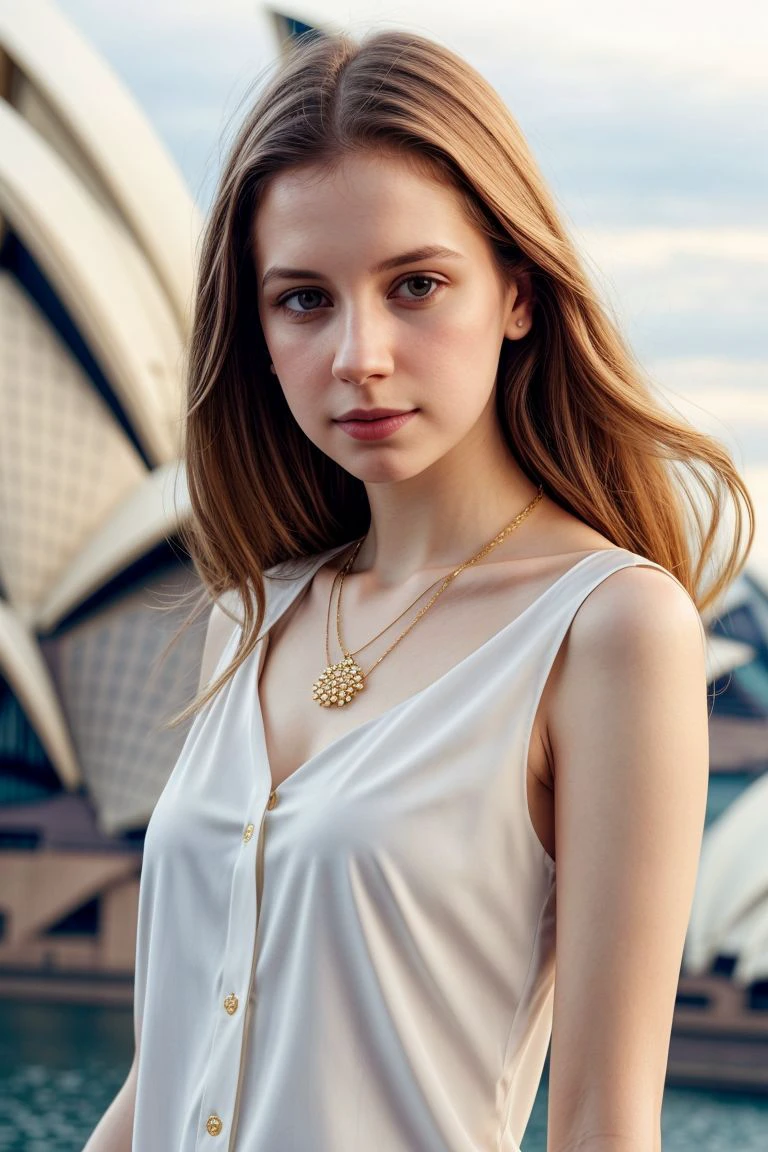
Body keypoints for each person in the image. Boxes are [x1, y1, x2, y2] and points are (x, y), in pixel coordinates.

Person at [84, 27, 753, 1152]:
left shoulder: (610, 630)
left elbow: (600, 1122)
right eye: (303, 299)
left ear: (519, 294)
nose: (361, 355)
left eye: (417, 285)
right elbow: (170, 1068)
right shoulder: (255, 613)